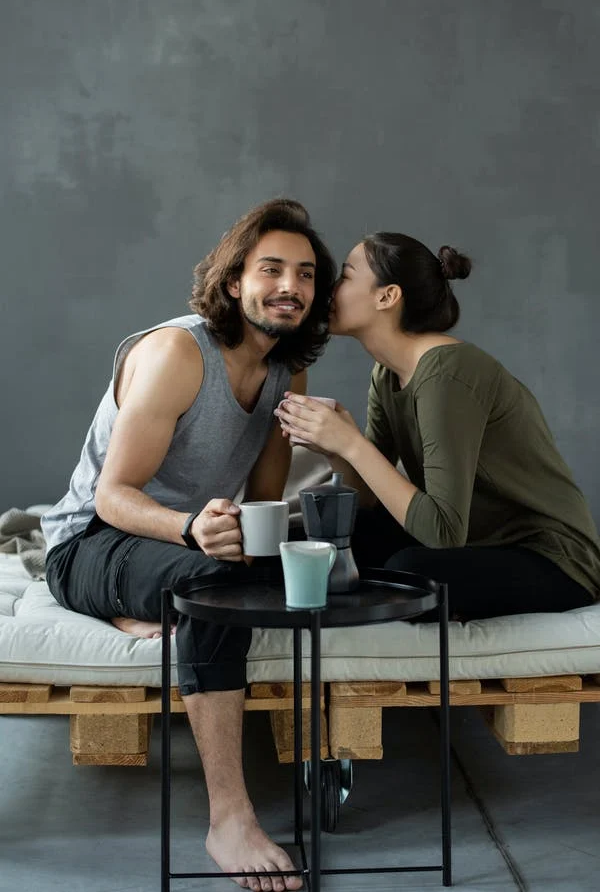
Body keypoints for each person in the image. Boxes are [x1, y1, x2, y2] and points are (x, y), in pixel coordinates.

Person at [42, 198, 336, 892]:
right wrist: (189, 530)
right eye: (271, 269)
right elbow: (113, 495)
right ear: (236, 281)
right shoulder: (178, 351)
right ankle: (229, 818)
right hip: (92, 541)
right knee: (210, 585)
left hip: (186, 546)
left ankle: (159, 604)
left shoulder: (286, 371)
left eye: (306, 273)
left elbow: (262, 502)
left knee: (297, 564)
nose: (290, 286)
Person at [275, 232, 600, 619]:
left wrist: (351, 444)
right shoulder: (386, 374)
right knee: (315, 546)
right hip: (478, 543)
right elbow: (370, 500)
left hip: (552, 558)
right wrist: (333, 447)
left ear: (386, 296)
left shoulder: (446, 374)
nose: (331, 289)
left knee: (412, 574)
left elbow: (443, 532)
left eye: (347, 276)